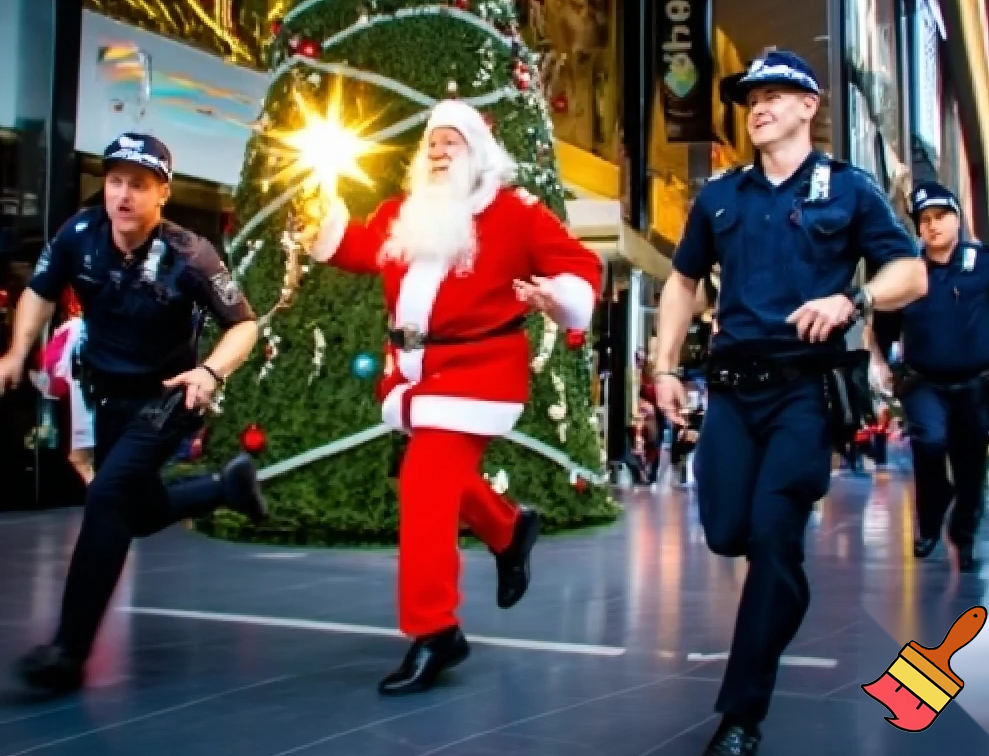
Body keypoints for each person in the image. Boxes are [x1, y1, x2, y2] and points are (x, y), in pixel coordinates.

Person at [653, 50, 927, 756]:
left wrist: (852, 298)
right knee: (726, 531)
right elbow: (681, 283)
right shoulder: (721, 196)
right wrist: (660, 367)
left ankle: (740, 717)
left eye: (776, 94)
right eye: (751, 99)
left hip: (805, 392)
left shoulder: (851, 190)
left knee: (775, 534)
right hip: (732, 393)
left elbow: (910, 272)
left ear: (810, 106)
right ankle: (783, 595)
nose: (759, 107)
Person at [301, 99, 603, 696]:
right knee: (440, 476)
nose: (438, 152)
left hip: (479, 372)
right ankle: (509, 528)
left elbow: (580, 267)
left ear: (478, 153)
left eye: (451, 143)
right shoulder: (404, 213)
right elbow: (363, 250)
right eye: (431, 143)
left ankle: (435, 629)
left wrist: (558, 295)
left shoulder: (515, 213)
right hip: (415, 373)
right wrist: (327, 234)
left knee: (423, 479)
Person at [0, 132, 265, 695]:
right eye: (116, 181)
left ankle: (68, 653)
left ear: (161, 193)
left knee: (107, 498)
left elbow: (245, 322)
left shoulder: (190, 254)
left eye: (138, 185)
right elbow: (41, 291)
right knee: (136, 513)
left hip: (167, 397)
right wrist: (16, 352)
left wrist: (210, 371)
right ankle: (225, 488)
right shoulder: (80, 233)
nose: (122, 195)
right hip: (109, 396)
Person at [867, 182, 989, 572]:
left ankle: (964, 535)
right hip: (924, 382)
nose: (933, 226)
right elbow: (882, 330)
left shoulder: (986, 262)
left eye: (940, 217)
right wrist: (880, 364)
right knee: (929, 442)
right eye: (925, 220)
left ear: (957, 219)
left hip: (974, 383)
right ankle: (930, 520)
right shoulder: (908, 273)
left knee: (971, 468)